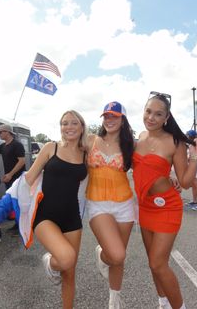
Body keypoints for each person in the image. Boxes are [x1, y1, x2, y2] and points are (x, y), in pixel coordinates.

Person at [132, 92, 197, 309]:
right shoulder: (140, 138)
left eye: (158, 114)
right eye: (148, 111)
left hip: (167, 208)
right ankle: (162, 303)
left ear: (166, 117)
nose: (151, 117)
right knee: (153, 265)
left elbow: (187, 182)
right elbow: (141, 168)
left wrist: (195, 157)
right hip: (145, 206)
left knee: (158, 263)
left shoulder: (175, 142)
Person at [25, 110, 87, 309]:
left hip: (72, 216)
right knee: (66, 259)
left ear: (81, 126)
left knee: (70, 272)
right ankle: (50, 262)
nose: (68, 127)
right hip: (45, 215)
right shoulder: (50, 148)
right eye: (64, 123)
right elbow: (29, 177)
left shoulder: (86, 153)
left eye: (73, 123)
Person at [85, 101, 135, 308]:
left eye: (114, 116)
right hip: (98, 205)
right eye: (106, 116)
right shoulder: (89, 141)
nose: (109, 120)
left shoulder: (131, 144)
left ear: (122, 120)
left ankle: (114, 300)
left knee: (119, 259)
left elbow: (151, 160)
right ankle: (101, 254)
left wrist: (171, 175)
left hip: (124, 205)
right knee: (116, 254)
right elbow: (66, 153)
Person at [0, 124, 26, 241]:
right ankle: (17, 223)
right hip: (9, 179)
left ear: (7, 132)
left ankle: (22, 227)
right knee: (12, 202)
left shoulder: (17, 145)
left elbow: (22, 161)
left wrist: (10, 174)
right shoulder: (3, 146)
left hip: (18, 179)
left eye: (0, 132)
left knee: (19, 202)